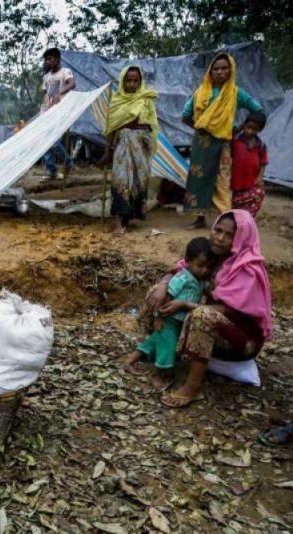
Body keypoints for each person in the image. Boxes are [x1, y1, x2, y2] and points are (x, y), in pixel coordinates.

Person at [142, 210, 272, 408]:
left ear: (241, 239)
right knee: (159, 293)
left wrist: (186, 305)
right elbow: (181, 270)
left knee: (201, 315)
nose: (220, 238)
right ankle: (162, 352)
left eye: (229, 235)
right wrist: (163, 285)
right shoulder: (213, 257)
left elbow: (231, 311)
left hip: (242, 342)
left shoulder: (247, 270)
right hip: (215, 329)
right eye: (217, 230)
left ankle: (192, 388)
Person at [182, 52, 263, 229]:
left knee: (222, 179)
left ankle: (224, 219)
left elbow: (257, 109)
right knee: (199, 179)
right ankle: (200, 219)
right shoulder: (201, 92)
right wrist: (200, 127)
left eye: (224, 68)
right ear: (210, 72)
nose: (220, 72)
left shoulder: (236, 93)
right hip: (202, 142)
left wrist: (239, 128)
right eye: (216, 69)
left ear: (231, 70)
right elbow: (185, 115)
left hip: (224, 142)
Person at [123, 237, 214, 390]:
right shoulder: (182, 278)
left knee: (153, 342)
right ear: (188, 261)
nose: (204, 270)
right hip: (169, 320)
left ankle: (128, 361)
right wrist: (158, 318)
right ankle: (156, 374)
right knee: (168, 347)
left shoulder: (200, 280)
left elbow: (209, 290)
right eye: (200, 265)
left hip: (180, 322)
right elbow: (166, 298)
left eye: (208, 267)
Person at [100, 65, 159, 235]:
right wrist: (107, 151)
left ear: (140, 81)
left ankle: (128, 217)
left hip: (141, 147)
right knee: (121, 179)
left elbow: (151, 125)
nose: (132, 84)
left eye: (136, 80)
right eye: (128, 80)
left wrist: (143, 139)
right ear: (123, 81)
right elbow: (111, 127)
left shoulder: (146, 98)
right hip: (122, 145)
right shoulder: (117, 100)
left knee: (138, 182)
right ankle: (118, 222)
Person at [40, 48, 76, 178]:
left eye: (50, 58)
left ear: (58, 58)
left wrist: (59, 92)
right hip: (47, 111)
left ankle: (68, 161)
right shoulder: (47, 76)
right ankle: (52, 171)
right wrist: (44, 108)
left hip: (60, 112)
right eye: (46, 59)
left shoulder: (65, 71)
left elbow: (72, 84)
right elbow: (45, 93)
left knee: (54, 141)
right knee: (45, 142)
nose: (48, 61)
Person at [230, 110, 268, 218]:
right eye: (248, 127)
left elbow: (263, 162)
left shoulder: (261, 145)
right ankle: (238, 220)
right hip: (237, 181)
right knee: (237, 204)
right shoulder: (236, 140)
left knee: (256, 198)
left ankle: (248, 219)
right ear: (244, 126)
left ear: (260, 130)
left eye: (254, 129)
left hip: (252, 181)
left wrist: (260, 177)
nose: (250, 131)